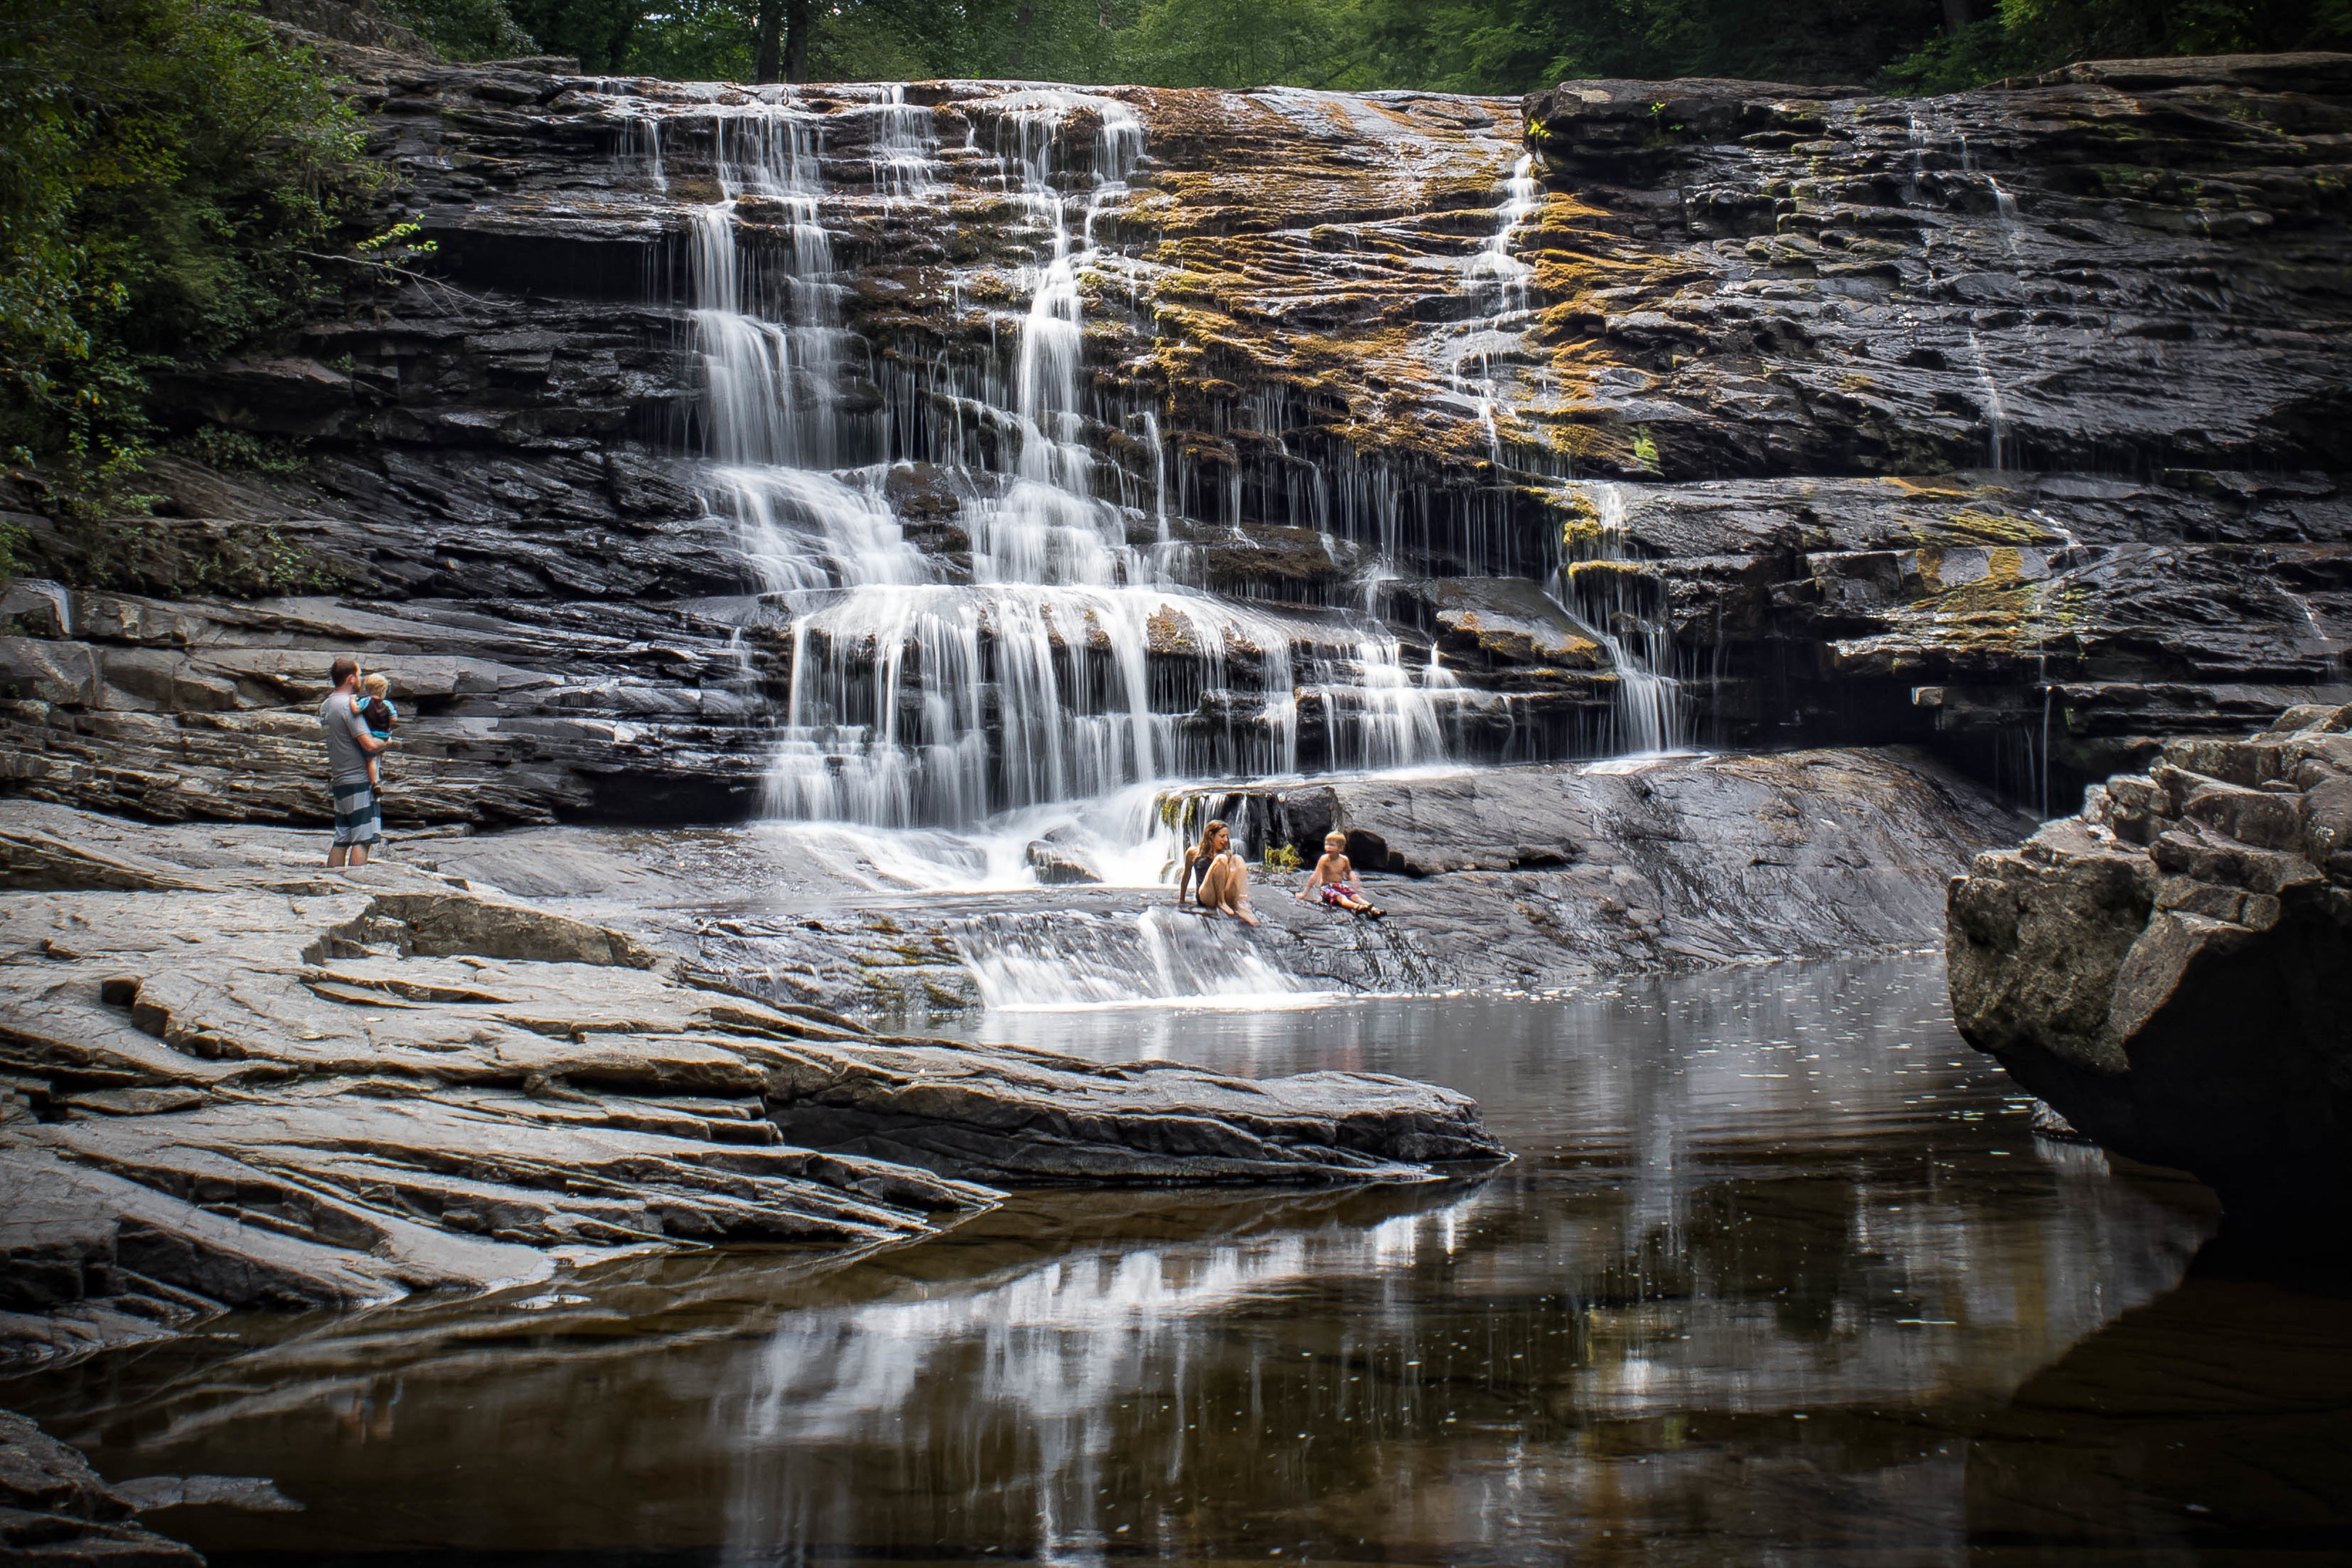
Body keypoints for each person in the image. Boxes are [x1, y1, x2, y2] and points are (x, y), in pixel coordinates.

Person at [319, 656, 388, 869]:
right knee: (363, 838)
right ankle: (354, 887)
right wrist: (386, 742)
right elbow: (368, 744)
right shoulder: (348, 706)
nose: (361, 679)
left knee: (342, 838)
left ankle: (333, 884)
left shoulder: (326, 705)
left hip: (339, 779)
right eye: (359, 675)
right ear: (350, 678)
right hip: (359, 779)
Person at [1177, 818, 1258, 926]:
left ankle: (1235, 904)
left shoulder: (1226, 853)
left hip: (1223, 892)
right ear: (1211, 835)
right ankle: (1221, 903)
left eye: (1227, 836)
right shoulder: (1193, 852)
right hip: (1206, 896)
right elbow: (1186, 875)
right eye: (1222, 836)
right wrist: (1181, 900)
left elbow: (1229, 877)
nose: (1225, 840)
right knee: (1221, 859)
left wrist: (1239, 894)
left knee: (1238, 859)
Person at [1298, 830, 1384, 918]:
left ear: (1341, 848)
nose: (1328, 847)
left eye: (1332, 845)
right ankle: (1357, 907)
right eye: (1326, 844)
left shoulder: (1344, 859)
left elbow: (1349, 872)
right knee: (1341, 898)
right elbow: (1315, 876)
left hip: (1339, 886)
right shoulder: (1324, 859)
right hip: (1326, 888)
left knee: (1356, 897)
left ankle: (1373, 910)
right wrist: (1304, 894)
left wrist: (1354, 881)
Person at [356, 672, 399, 791]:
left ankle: (374, 782)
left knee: (370, 760)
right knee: (378, 753)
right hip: (384, 735)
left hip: (369, 734)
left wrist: (351, 701)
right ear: (383, 690)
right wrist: (388, 722)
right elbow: (394, 718)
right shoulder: (387, 704)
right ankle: (376, 778)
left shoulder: (365, 701)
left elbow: (356, 710)